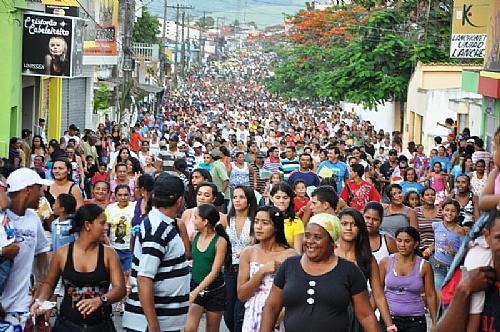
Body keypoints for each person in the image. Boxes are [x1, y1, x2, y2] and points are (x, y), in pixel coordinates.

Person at [260, 213, 380, 332]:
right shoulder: (289, 266)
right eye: (307, 236)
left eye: (317, 237)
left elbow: (366, 316)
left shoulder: (349, 271)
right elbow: (272, 307)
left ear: (332, 242)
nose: (310, 241)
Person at [30, 203, 126, 331]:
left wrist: (101, 300)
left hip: (101, 326)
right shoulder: (62, 253)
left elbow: (120, 289)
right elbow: (49, 283)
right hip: (67, 325)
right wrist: (40, 302)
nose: (106, 228)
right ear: (87, 225)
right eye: (102, 223)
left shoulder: (109, 254)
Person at [122, 174, 190, 332]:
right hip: (150, 324)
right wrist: (154, 326)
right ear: (180, 200)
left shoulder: (164, 224)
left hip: (163, 321)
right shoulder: (157, 229)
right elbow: (144, 278)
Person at [1, 168, 52, 329]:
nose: (42, 194)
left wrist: (41, 284)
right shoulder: (2, 216)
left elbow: (42, 252)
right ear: (28, 190)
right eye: (39, 188)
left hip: (22, 306)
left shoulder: (33, 218)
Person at [237, 206, 296, 332]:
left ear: (276, 227)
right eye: (256, 222)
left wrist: (281, 314)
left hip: (279, 317)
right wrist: (261, 272)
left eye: (265, 223)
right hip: (252, 316)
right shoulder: (248, 252)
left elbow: (296, 293)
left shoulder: (291, 255)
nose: (258, 227)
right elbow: (241, 295)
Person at [336, 208, 394, 330]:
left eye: (354, 224)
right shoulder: (329, 254)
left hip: (360, 315)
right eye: (344, 224)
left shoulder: (367, 258)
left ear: (360, 228)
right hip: (331, 315)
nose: (349, 228)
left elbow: (378, 295)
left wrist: (390, 325)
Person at [379, 226, 437, 332]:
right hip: (389, 319)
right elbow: (378, 293)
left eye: (407, 241)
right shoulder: (385, 262)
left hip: (415, 320)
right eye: (399, 241)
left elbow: (430, 294)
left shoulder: (424, 266)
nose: (402, 245)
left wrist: (434, 322)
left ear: (415, 244)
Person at [184, 204, 231, 332]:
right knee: (189, 328)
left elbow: (214, 272)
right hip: (196, 286)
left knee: (212, 329)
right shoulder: (195, 236)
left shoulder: (220, 241)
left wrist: (194, 292)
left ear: (205, 222)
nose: (193, 220)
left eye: (196, 217)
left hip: (215, 291)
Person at [224, 185, 257, 332]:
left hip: (249, 270)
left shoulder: (255, 221)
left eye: (241, 197)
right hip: (231, 268)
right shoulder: (227, 219)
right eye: (235, 197)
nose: (237, 200)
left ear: (249, 201)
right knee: (228, 315)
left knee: (240, 313)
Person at [429, 199, 466, 291]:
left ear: (457, 214)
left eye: (453, 211)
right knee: (439, 294)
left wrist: (455, 252)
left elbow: (465, 252)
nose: (449, 213)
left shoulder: (460, 231)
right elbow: (436, 242)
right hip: (438, 268)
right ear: (442, 211)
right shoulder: (436, 226)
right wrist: (430, 249)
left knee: (451, 297)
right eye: (447, 210)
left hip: (453, 269)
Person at [270, 182, 304, 253]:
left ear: (290, 199)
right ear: (271, 198)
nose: (281, 201)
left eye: (285, 198)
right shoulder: (265, 219)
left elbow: (297, 252)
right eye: (278, 198)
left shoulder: (296, 222)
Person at [415, 187, 442, 253]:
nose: (430, 197)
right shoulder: (416, 211)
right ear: (422, 197)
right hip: (420, 249)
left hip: (438, 248)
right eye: (427, 195)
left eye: (432, 195)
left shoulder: (442, 211)